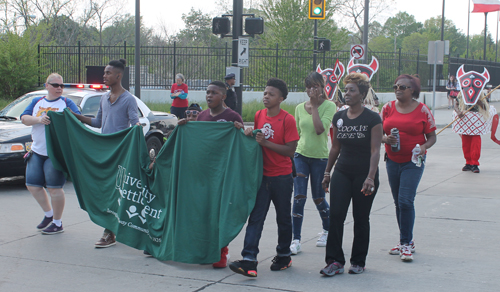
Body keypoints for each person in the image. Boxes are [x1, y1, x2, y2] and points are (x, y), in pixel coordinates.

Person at [229, 78, 299, 277]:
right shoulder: (259, 115)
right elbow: (256, 139)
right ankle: (249, 260)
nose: (266, 97)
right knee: (256, 218)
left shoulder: (288, 120)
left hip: (282, 178)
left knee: (284, 219)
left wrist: (266, 143)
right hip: (261, 176)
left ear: (281, 98)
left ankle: (284, 255)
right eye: (265, 93)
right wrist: (246, 131)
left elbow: (290, 151)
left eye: (271, 94)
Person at [71, 59, 140, 248]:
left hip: (120, 152)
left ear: (118, 75)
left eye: (108, 73)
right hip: (105, 151)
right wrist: (74, 116)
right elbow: (98, 123)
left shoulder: (128, 99)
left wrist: (137, 130)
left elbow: (135, 124)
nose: (104, 76)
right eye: (104, 73)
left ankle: (110, 232)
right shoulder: (103, 98)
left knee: (114, 193)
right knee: (104, 191)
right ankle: (111, 229)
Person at [320, 73, 382, 276]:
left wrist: (370, 177)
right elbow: (335, 147)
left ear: (362, 94)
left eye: (351, 90)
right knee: (336, 216)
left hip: (365, 174)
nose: (346, 93)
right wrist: (327, 172)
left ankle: (358, 261)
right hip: (343, 172)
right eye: (345, 90)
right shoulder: (339, 117)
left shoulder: (372, 118)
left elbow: (375, 150)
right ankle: (334, 261)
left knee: (361, 218)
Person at [177, 82, 243, 268]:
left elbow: (239, 143)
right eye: (207, 92)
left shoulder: (232, 116)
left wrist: (239, 130)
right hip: (203, 173)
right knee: (203, 212)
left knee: (220, 212)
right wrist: (185, 127)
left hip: (222, 173)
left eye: (214, 93)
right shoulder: (202, 116)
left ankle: (222, 252)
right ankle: (204, 249)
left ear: (223, 96)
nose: (209, 96)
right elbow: (198, 143)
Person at [381, 74, 436, 262]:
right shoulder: (387, 108)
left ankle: (405, 244)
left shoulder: (422, 110)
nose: (398, 89)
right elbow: (378, 133)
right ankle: (407, 240)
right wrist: (385, 139)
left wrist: (424, 147)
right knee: (398, 202)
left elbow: (432, 137)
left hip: (413, 162)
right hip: (392, 160)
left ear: (412, 90)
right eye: (396, 86)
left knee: (405, 201)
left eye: (402, 87)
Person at [20, 73, 81, 234]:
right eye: (55, 85)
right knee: (32, 185)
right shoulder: (37, 102)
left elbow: (79, 120)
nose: (59, 88)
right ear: (47, 86)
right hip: (37, 150)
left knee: (54, 188)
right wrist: (39, 119)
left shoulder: (66, 103)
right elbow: (24, 118)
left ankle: (57, 222)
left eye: (62, 85)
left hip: (55, 153)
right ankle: (49, 215)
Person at [290, 72, 336, 255]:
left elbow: (319, 129)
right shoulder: (300, 108)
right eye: (308, 87)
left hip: (320, 158)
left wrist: (315, 107)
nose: (311, 90)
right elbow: (297, 133)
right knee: (299, 196)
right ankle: (296, 239)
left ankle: (327, 229)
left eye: (315, 86)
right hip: (301, 156)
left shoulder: (329, 106)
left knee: (318, 198)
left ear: (322, 86)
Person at [453, 92, 493, 173]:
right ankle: (468, 162)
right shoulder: (462, 93)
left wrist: (480, 103)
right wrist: (458, 112)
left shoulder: (481, 93)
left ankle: (474, 163)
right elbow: (456, 104)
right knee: (465, 143)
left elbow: (486, 107)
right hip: (464, 120)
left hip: (476, 120)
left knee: (475, 143)